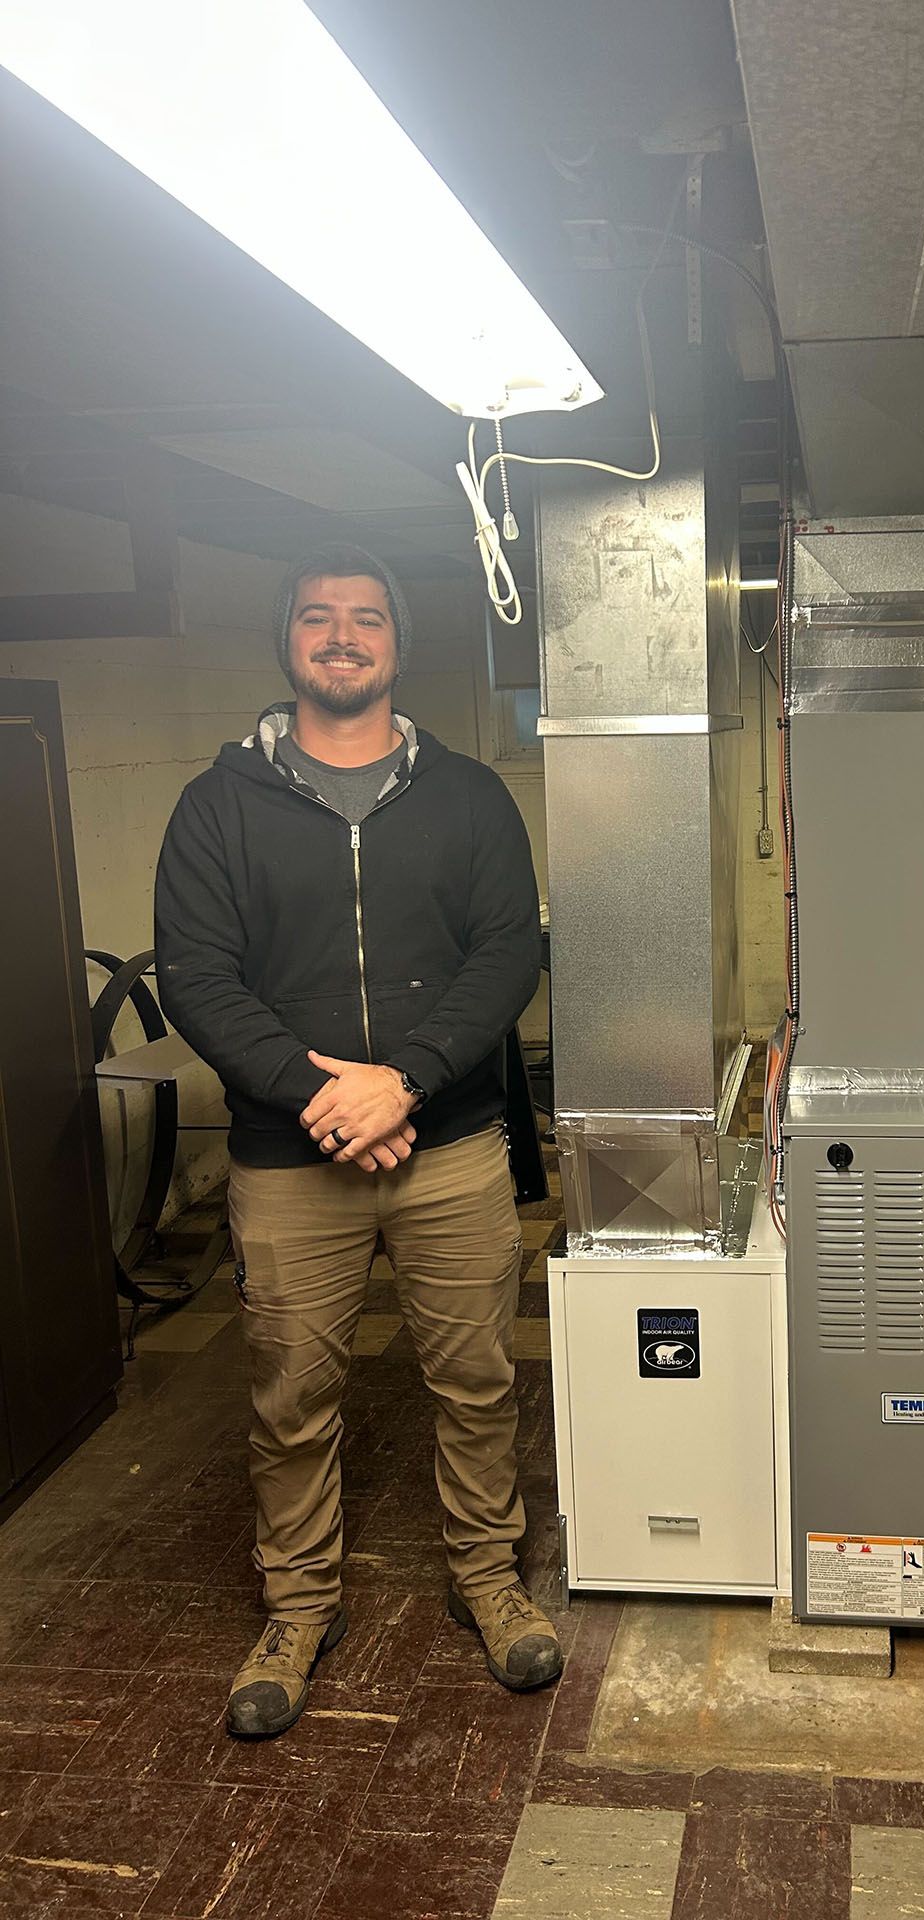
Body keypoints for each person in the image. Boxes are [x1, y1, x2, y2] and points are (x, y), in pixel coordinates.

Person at [154, 542, 560, 1739]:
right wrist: (321, 1099)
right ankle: (297, 1606)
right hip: (289, 1164)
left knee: (478, 1380)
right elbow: (198, 976)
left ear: (398, 643)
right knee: (291, 1394)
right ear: (289, 642)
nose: (343, 636)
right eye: (320, 618)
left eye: (366, 618)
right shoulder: (217, 805)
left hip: (451, 1151)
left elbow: (507, 958)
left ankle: (487, 1577)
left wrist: (407, 1086)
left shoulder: (470, 795)